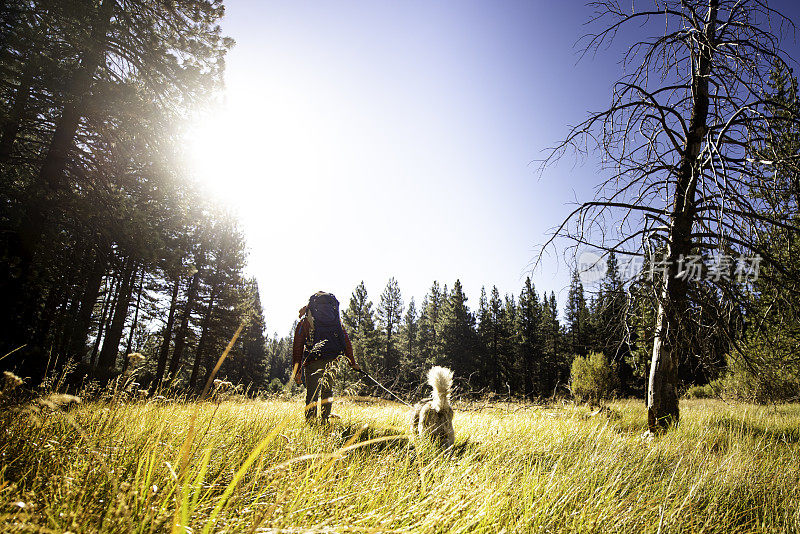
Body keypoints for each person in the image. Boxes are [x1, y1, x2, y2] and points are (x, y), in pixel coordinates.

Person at [292, 291, 359, 422]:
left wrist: (297, 370)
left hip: (313, 361)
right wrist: (352, 362)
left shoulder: (306, 320)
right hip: (333, 361)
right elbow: (346, 341)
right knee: (327, 392)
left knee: (312, 395)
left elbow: (297, 346)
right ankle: (325, 420)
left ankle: (311, 424)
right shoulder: (335, 320)